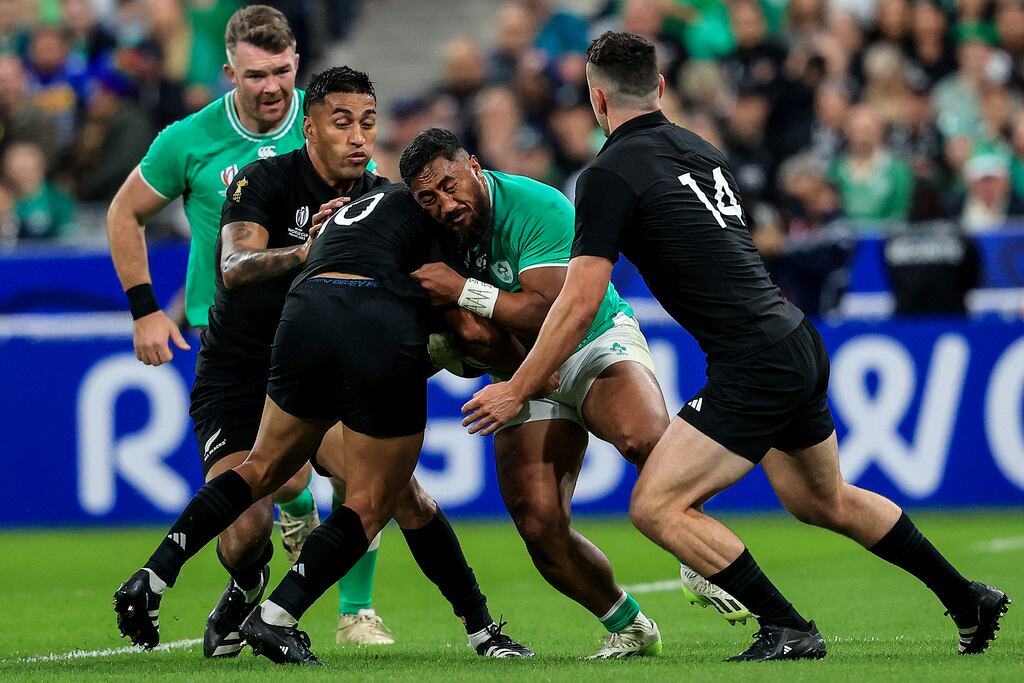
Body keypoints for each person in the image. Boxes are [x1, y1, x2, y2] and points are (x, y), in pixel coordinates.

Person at [462, 31, 1011, 661]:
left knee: (657, 506)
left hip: (755, 360)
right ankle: (967, 597)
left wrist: (518, 386)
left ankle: (787, 627)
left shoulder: (608, 174)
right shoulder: (704, 151)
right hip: (793, 336)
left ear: (596, 100)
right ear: (661, 88)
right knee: (821, 499)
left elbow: (580, 299)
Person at [112, 149, 534, 664]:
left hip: (302, 320)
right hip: (369, 326)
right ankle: (279, 616)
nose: (444, 204)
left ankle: (154, 574)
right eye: (433, 194)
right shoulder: (434, 224)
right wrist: (528, 370)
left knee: (266, 469)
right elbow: (468, 329)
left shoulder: (359, 205)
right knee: (375, 501)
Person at [401, 128, 747, 657]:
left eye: (451, 185)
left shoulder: (536, 204)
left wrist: (464, 290)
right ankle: (630, 626)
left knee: (646, 442)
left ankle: (697, 549)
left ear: (473, 165)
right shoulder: (425, 230)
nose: (446, 205)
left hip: (588, 340)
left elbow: (549, 310)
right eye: (429, 198)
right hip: (519, 369)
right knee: (539, 525)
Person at [105, 4, 385, 650]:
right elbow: (125, 213)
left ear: (297, 66)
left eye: (282, 71)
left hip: (321, 335)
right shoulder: (188, 138)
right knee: (246, 522)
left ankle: (357, 609)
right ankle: (253, 569)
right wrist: (146, 307)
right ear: (229, 70)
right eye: (254, 74)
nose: (271, 87)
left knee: (371, 470)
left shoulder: (323, 129)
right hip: (234, 344)